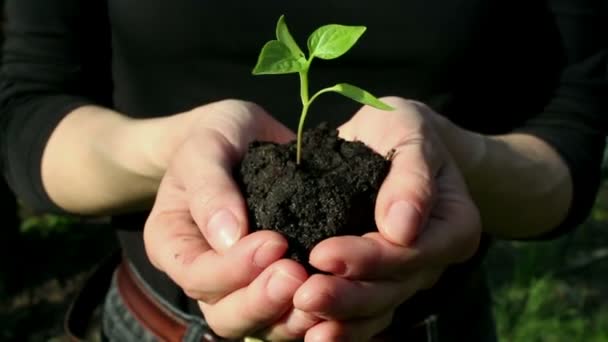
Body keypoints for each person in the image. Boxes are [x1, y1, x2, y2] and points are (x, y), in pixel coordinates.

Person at [1, 0, 606, 341]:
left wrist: (457, 154)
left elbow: (572, 130)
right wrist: (174, 148)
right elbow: (28, 115)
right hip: (157, 323)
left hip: (431, 324)